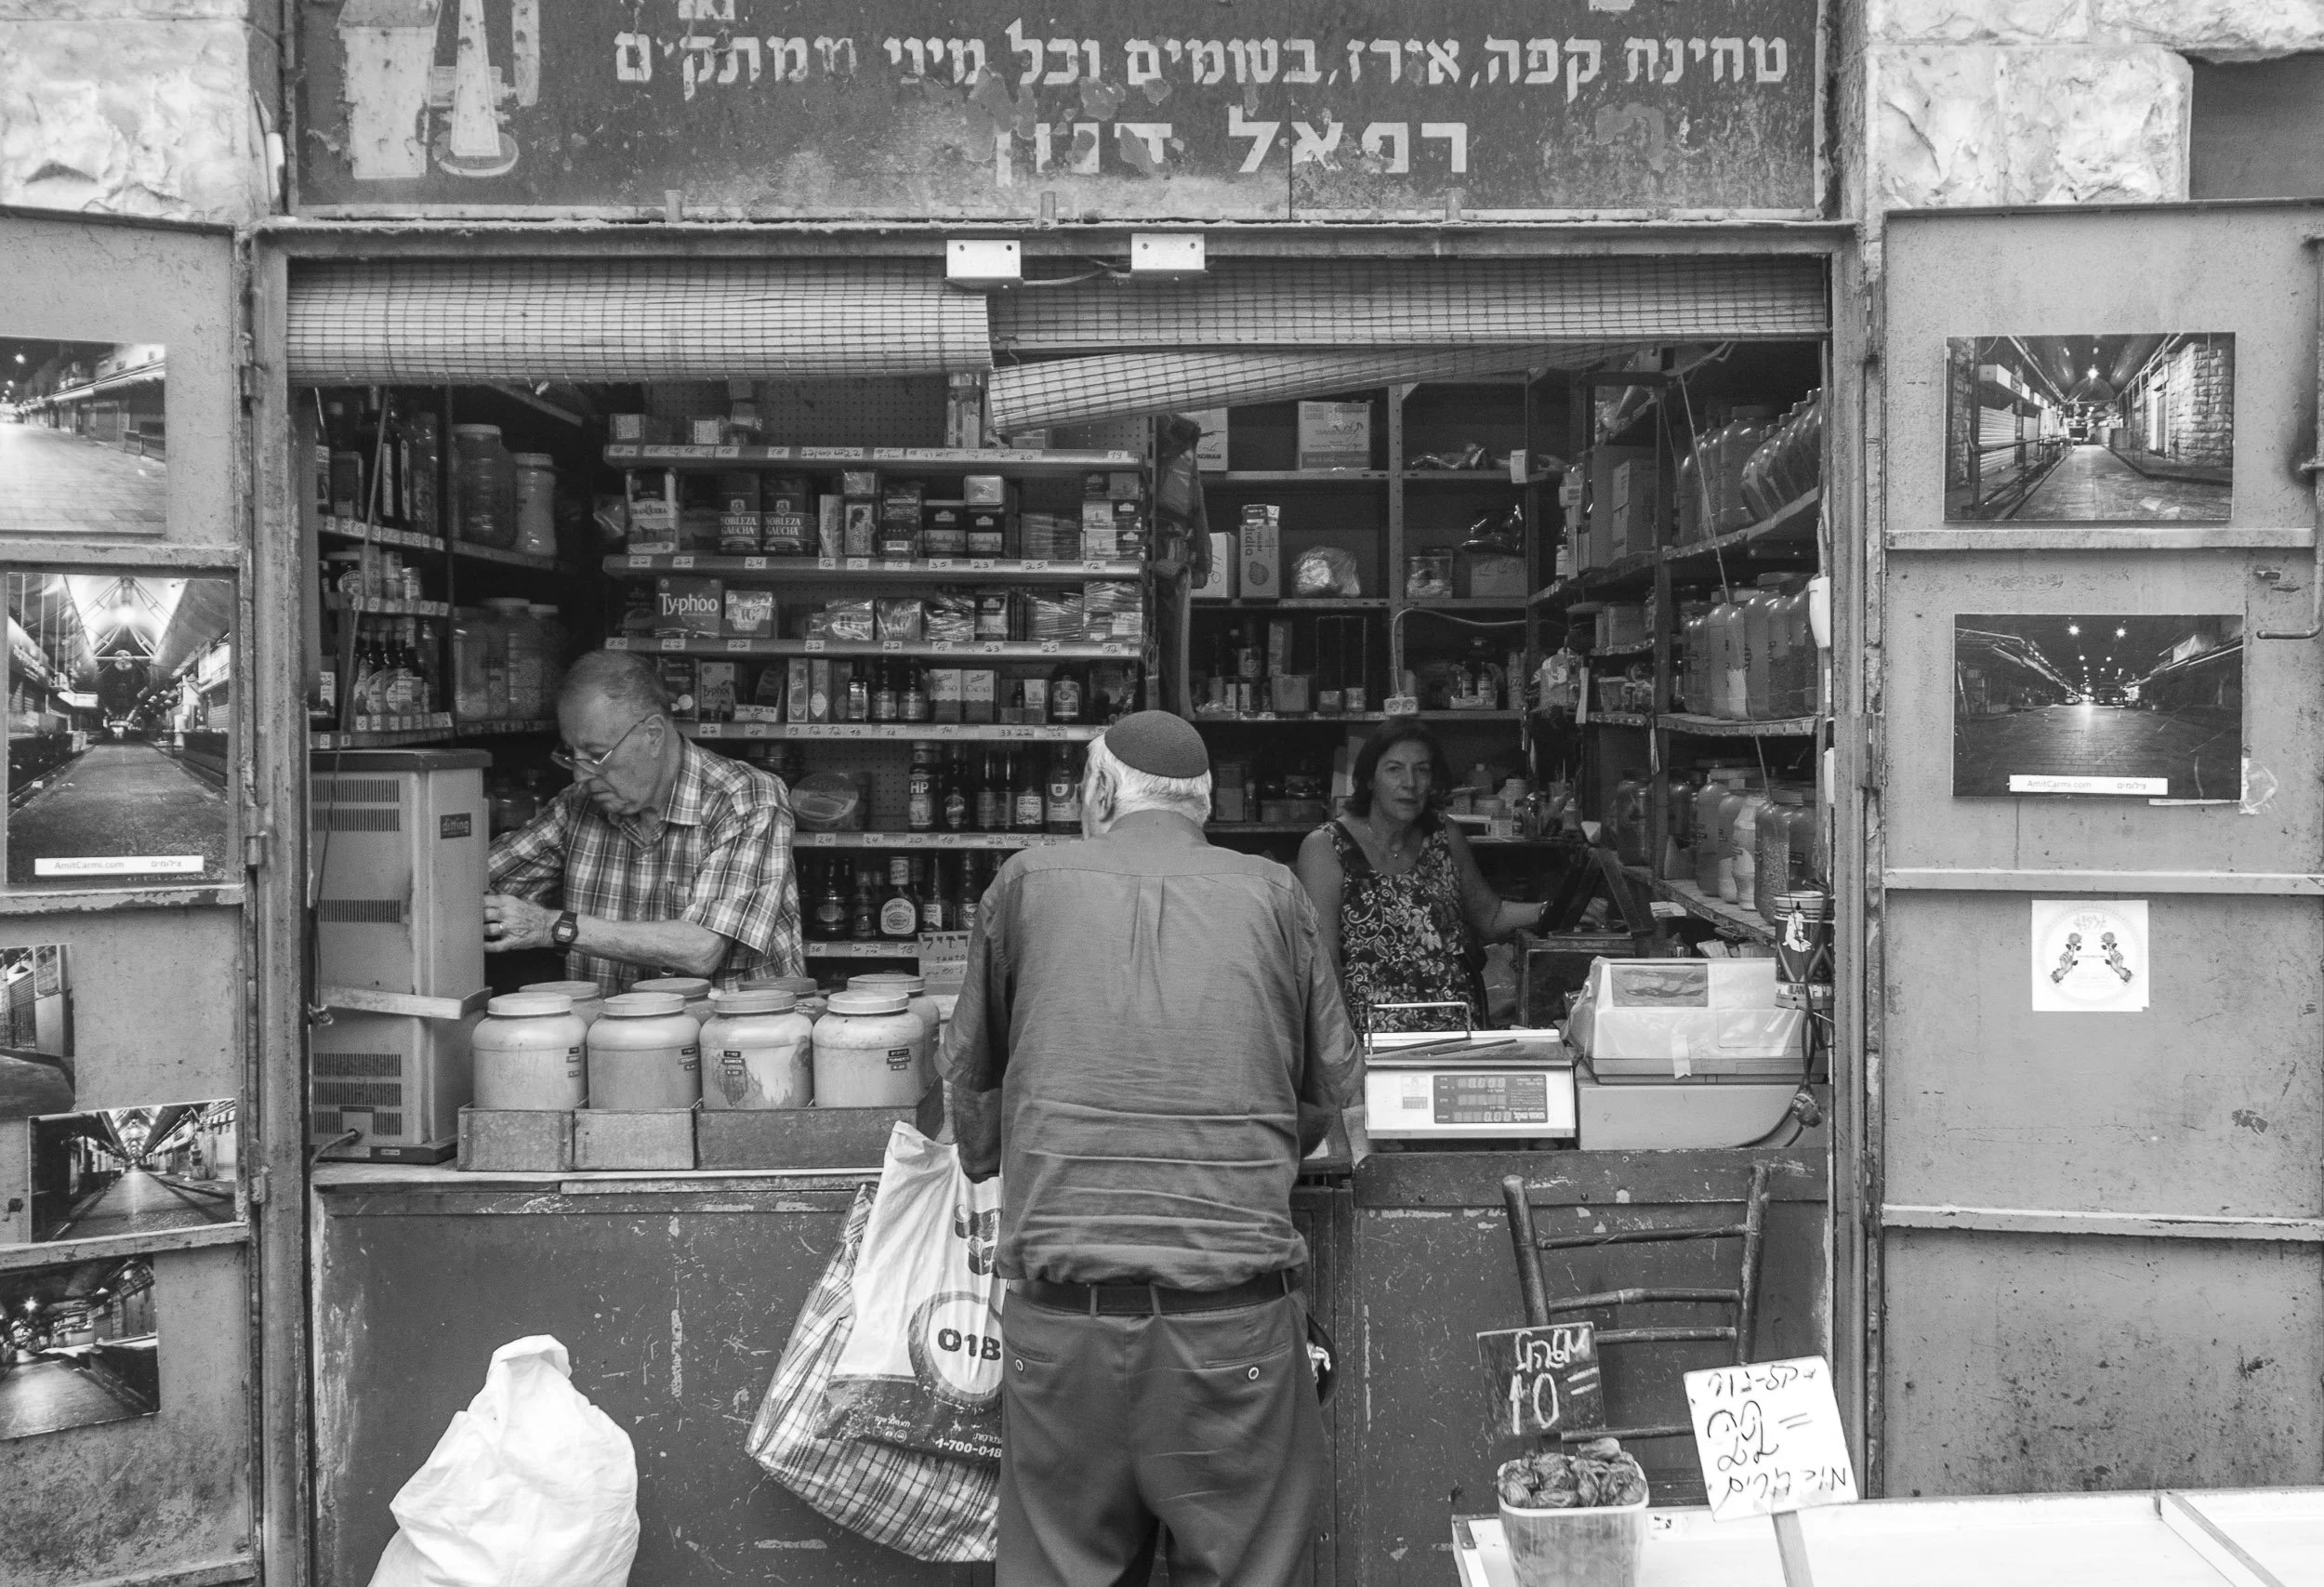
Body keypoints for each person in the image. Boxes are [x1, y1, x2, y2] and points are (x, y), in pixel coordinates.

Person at [941, 710, 1360, 1587]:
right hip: (1232, 1328)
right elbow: (1330, 1086)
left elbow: (974, 1098)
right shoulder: (1274, 893)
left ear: (1099, 792)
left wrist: (1000, 1153)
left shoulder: (1025, 884)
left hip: (1064, 1329)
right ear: (1202, 804)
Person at [484, 649, 801, 991]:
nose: (579, 775)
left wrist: (553, 926)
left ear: (652, 735)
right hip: (606, 1037)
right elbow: (476, 883)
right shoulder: (577, 806)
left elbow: (701, 948)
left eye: (595, 755)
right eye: (571, 754)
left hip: (729, 1037)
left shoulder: (746, 799)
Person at [1294, 720, 1546, 1033]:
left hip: (1456, 1031)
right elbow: (1324, 965)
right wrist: (1343, 1056)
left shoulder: (1444, 835)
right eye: (1394, 769)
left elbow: (1491, 917)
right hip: (1371, 1039)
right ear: (1370, 778)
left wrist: (1550, 910)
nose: (1410, 783)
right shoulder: (1326, 847)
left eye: (1422, 770)